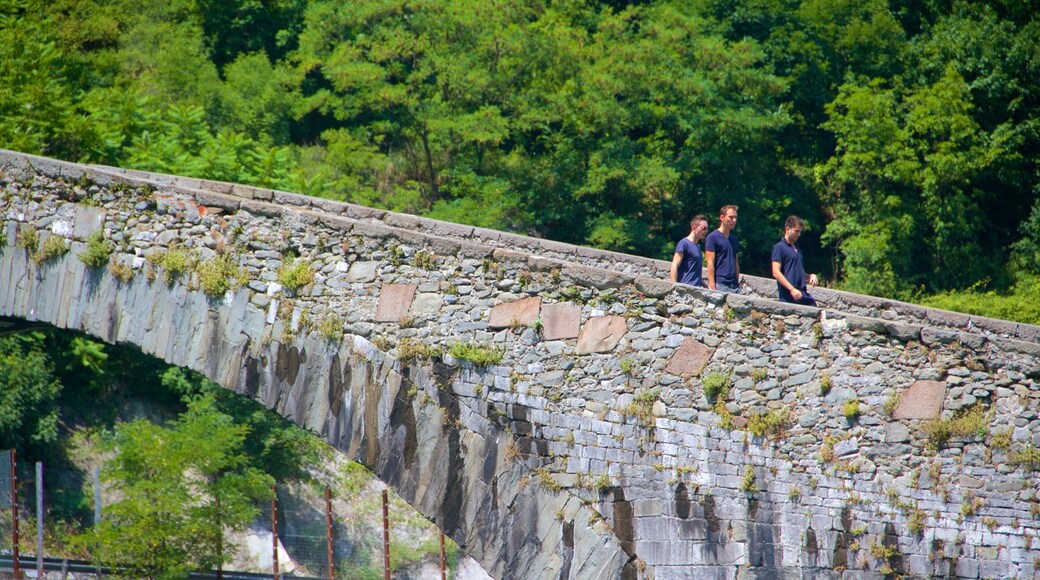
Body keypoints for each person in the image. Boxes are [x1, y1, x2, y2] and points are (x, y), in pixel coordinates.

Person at [771, 215, 819, 306]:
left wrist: (810, 276)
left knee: (814, 309)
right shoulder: (779, 247)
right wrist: (792, 289)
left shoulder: (798, 249)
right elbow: (776, 272)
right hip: (789, 294)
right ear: (787, 229)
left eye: (800, 232)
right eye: (796, 231)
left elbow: (797, 273)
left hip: (801, 292)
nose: (798, 234)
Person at [705, 205, 741, 293]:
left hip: (734, 284)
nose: (734, 220)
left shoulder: (734, 239)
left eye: (735, 217)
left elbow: (736, 263)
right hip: (721, 283)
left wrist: (737, 281)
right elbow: (710, 262)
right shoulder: (713, 237)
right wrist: (712, 284)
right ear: (722, 217)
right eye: (731, 217)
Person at [670, 215, 709, 287]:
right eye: (703, 228)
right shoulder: (684, 243)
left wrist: (705, 286)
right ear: (694, 228)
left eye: (707, 229)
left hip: (696, 288)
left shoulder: (698, 246)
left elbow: (694, 271)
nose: (705, 231)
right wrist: (674, 285)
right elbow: (674, 265)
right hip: (685, 287)